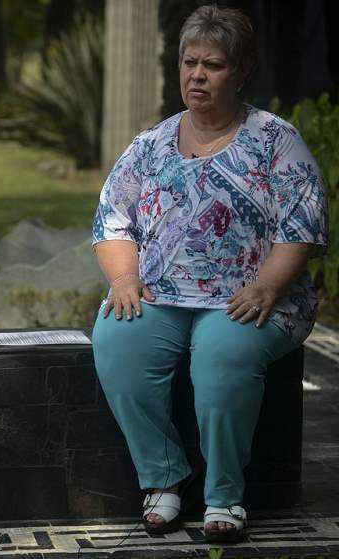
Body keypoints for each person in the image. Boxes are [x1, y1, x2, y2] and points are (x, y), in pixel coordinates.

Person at [91, 4, 328, 544]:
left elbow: (303, 223)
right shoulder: (150, 144)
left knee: (220, 358)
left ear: (241, 72)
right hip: (164, 292)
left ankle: (225, 495)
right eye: (189, 62)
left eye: (213, 65)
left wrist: (269, 284)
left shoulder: (275, 140)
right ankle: (164, 479)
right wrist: (125, 279)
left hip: (253, 296)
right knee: (116, 339)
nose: (197, 75)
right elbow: (111, 218)